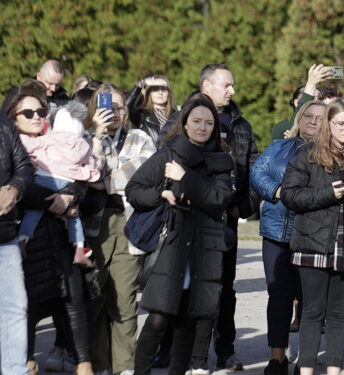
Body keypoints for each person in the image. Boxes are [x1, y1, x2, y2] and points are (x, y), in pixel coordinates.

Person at [160, 63, 259, 371]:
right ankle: (171, 349)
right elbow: (164, 162)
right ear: (206, 87)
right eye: (226, 85)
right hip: (185, 217)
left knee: (223, 288)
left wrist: (244, 206)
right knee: (180, 286)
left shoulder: (240, 124)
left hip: (224, 219)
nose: (232, 90)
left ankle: (225, 349)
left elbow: (252, 169)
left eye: (232, 85)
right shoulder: (179, 121)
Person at [127, 94, 234, 375]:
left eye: (209, 122)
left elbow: (218, 200)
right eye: (196, 121)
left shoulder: (222, 160)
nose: (203, 127)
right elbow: (134, 190)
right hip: (173, 245)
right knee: (159, 317)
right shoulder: (168, 153)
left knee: (191, 318)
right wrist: (161, 192)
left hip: (205, 248)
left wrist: (184, 178)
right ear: (184, 123)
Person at [280, 97, 344, 375]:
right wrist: (327, 194)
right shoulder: (308, 155)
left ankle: (334, 372)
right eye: (340, 124)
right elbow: (290, 195)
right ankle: (306, 371)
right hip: (312, 245)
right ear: (329, 124)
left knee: (338, 315)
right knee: (312, 313)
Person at [6, 87, 93, 375]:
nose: (36, 117)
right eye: (28, 113)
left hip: (61, 234)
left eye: (41, 111)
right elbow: (19, 185)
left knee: (73, 299)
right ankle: (26, 360)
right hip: (23, 236)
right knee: (26, 304)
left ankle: (83, 362)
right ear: (12, 117)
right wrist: (55, 200)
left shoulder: (61, 141)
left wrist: (70, 197)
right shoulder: (10, 144)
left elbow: (80, 177)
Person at [84, 83, 157, 375]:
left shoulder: (139, 137)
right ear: (95, 108)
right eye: (106, 106)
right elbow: (84, 172)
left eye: (118, 107)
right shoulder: (83, 136)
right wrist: (98, 138)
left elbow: (141, 176)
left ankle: (125, 367)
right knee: (95, 296)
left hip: (129, 222)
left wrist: (101, 179)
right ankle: (98, 365)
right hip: (93, 225)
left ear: (126, 110)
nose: (113, 112)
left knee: (125, 299)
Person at [250, 99, 326, 375]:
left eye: (320, 117)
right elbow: (257, 172)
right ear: (299, 118)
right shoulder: (280, 146)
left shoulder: (329, 152)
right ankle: (277, 356)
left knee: (309, 299)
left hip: (313, 233)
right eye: (309, 115)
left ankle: (305, 359)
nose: (313, 121)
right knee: (279, 295)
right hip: (276, 231)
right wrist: (279, 192)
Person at [18, 101, 101, 268]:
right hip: (68, 182)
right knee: (74, 216)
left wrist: (15, 135)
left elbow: (29, 144)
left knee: (33, 212)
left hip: (44, 177)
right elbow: (92, 164)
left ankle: (22, 241)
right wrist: (98, 162)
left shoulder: (49, 137)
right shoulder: (84, 144)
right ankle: (79, 249)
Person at [0, 100, 34, 375]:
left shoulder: (3, 124)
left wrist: (14, 189)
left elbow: (24, 166)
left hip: (4, 234)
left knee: (15, 308)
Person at [2, 60, 69, 113]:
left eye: (57, 85)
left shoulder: (63, 99)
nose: (53, 88)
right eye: (50, 83)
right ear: (38, 76)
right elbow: (5, 121)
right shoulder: (19, 94)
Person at [126, 75, 176, 144]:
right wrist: (141, 84)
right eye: (155, 89)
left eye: (164, 89)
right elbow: (126, 106)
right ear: (147, 92)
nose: (160, 92)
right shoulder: (141, 114)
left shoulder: (177, 115)